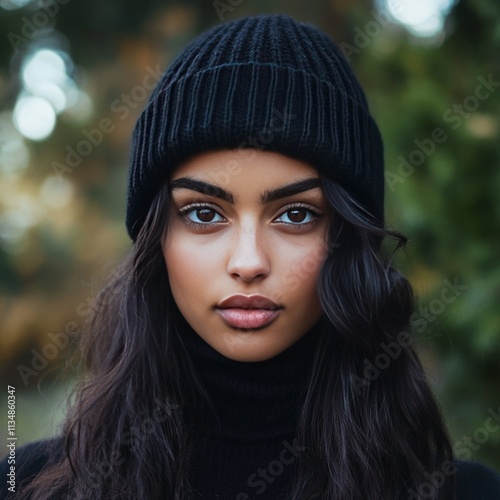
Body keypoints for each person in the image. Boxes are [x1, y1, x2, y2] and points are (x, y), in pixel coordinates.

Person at [1, 13, 499, 500]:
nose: (248, 261)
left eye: (297, 215)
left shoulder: (463, 491)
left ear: (348, 236)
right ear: (156, 239)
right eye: (202, 213)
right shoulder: (26, 484)